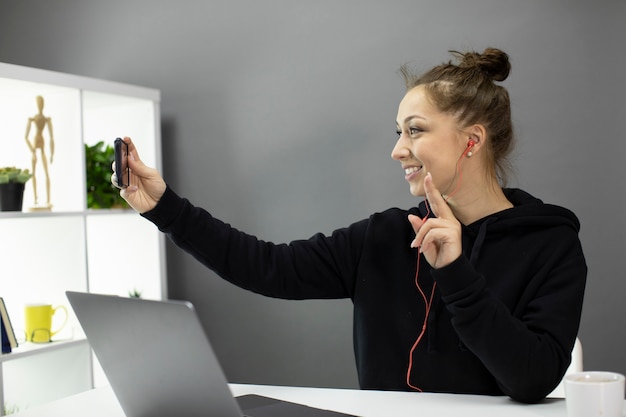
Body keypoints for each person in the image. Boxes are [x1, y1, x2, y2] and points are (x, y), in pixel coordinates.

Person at [112, 47, 587, 404]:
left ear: (471, 141)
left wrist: (458, 274)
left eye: (415, 130)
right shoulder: (384, 236)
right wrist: (164, 208)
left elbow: (532, 381)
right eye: (398, 132)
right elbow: (266, 266)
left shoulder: (549, 245)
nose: (398, 150)